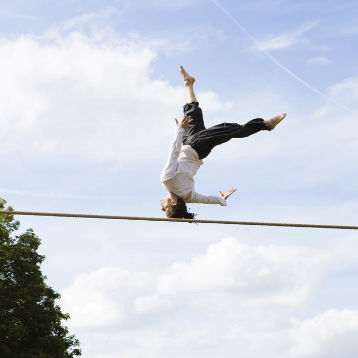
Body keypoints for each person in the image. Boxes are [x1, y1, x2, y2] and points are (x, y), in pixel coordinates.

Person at [160, 66, 286, 219]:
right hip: (197, 146)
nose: (161, 207)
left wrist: (221, 199)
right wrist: (179, 130)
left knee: (192, 113)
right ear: (173, 204)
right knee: (226, 129)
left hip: (192, 146)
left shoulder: (188, 196)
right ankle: (265, 125)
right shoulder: (167, 180)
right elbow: (173, 153)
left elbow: (207, 199)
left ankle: (188, 84)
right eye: (164, 209)